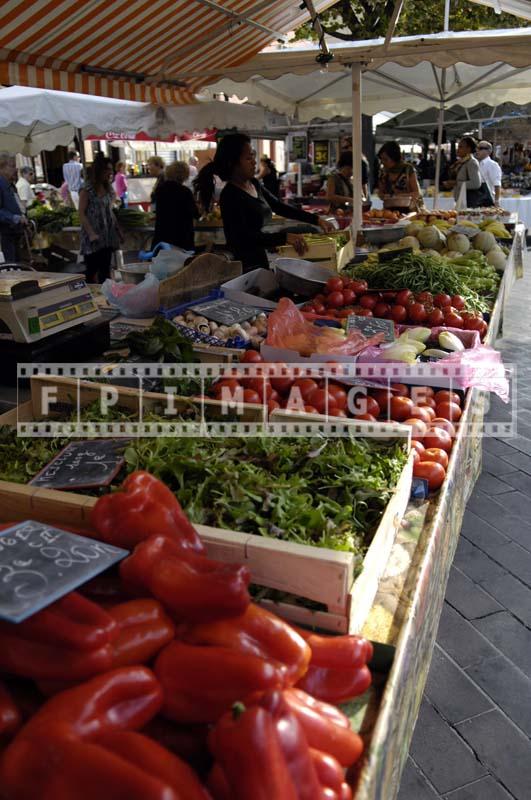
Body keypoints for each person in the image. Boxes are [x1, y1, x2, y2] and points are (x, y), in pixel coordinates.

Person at [195, 133, 333, 273]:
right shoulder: (230, 196)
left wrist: (316, 220)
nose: (254, 162)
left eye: (253, 156)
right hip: (244, 266)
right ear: (232, 163)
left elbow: (279, 207)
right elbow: (243, 238)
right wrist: (284, 237)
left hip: (261, 258)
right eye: (248, 158)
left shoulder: (254, 184)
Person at [79, 154, 121, 283]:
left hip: (107, 235)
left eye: (111, 169)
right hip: (93, 237)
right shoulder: (87, 189)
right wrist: (91, 233)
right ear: (99, 170)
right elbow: (81, 213)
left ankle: (106, 297)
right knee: (91, 270)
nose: (110, 172)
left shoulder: (108, 189)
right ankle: (90, 297)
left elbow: (109, 211)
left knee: (105, 270)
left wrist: (118, 230)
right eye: (107, 169)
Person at [152, 161, 199, 252]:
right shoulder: (185, 192)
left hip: (163, 236)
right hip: (181, 237)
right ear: (184, 175)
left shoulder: (160, 190)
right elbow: (196, 214)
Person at [0, 153, 29, 262]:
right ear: (2, 168)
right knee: (12, 266)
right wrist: (14, 218)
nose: (16, 169)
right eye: (12, 166)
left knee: (19, 264)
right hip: (7, 233)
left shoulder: (10, 184)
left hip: (16, 232)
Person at [444, 137, 488, 208]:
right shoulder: (461, 162)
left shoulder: (471, 162)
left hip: (468, 202)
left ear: (468, 149)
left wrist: (455, 183)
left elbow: (476, 184)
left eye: (460, 147)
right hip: (460, 199)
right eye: (458, 147)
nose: (458, 149)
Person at [377, 142, 421, 209]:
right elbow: (381, 194)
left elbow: (416, 193)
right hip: (389, 211)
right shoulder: (383, 172)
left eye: (386, 159)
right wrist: (382, 195)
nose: (383, 162)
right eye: (381, 159)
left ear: (394, 158)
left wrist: (397, 196)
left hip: (408, 210)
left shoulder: (408, 169)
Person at [477, 140, 502, 205]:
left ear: (489, 151)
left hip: (489, 200)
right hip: (478, 199)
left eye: (480, 148)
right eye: (477, 148)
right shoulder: (478, 164)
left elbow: (497, 184)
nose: (477, 151)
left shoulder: (493, 165)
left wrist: (496, 200)